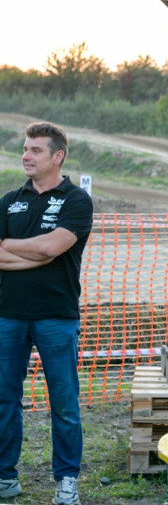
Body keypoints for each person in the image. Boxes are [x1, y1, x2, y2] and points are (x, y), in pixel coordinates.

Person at [0, 122, 93, 505]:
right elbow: (38, 251)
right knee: (4, 399)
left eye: (36, 150)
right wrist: (36, 252)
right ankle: (5, 478)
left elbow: (52, 248)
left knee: (64, 402)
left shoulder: (76, 200)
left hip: (57, 315)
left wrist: (11, 246)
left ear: (58, 157)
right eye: (25, 148)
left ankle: (66, 480)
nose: (26, 155)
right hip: (8, 315)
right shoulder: (8, 200)